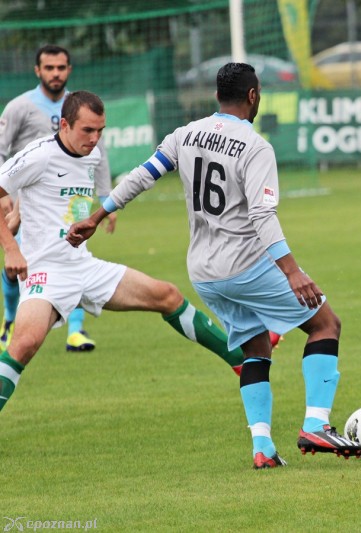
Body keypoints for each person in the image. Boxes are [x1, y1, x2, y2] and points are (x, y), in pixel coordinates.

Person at [67, 63, 361, 468]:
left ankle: (262, 448)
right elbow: (262, 215)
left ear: (216, 97)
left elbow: (141, 176)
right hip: (245, 263)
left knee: (256, 346)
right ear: (253, 96)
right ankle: (316, 423)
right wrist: (294, 272)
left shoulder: (185, 134)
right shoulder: (255, 146)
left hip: (204, 272)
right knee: (325, 324)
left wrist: (96, 217)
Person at [0, 92, 248, 420]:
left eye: (100, 130)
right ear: (64, 125)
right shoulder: (39, 155)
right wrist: (13, 247)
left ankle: (242, 362)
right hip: (46, 269)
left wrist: (20, 211)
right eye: (88, 130)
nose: (95, 139)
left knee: (167, 295)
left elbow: (43, 197)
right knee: (24, 344)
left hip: (83, 265)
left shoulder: (89, 155)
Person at [0, 44, 116, 352]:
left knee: (71, 253)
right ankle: (11, 319)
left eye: (61, 67)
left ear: (69, 70)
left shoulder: (81, 108)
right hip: (27, 199)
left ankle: (75, 331)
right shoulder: (19, 107)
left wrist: (106, 196)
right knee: (15, 267)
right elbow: (3, 150)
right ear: (38, 71)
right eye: (49, 68)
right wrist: (6, 197)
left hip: (66, 198)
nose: (56, 73)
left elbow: (97, 157)